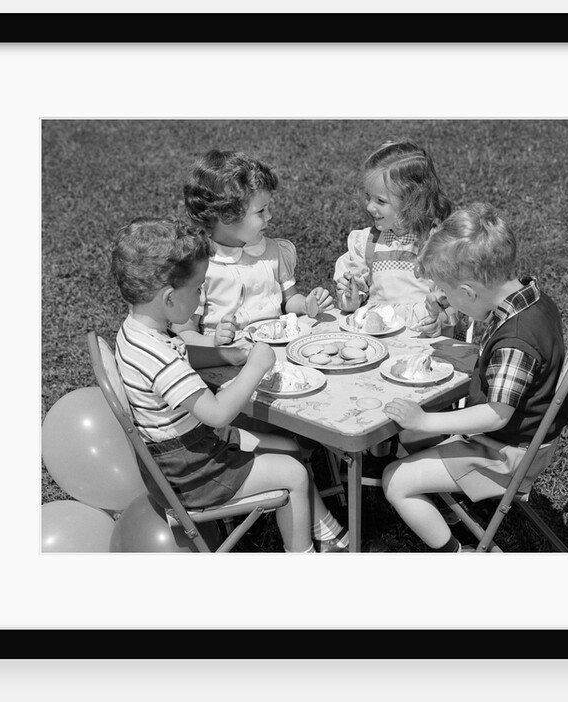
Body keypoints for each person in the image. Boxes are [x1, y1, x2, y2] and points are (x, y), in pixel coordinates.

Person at [110, 215, 348, 553]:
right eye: (196, 289)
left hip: (185, 454)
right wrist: (254, 366)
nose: (200, 296)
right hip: (195, 474)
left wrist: (228, 355)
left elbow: (182, 364)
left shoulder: (136, 334)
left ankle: (326, 532)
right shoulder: (156, 355)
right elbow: (217, 413)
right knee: (293, 473)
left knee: (287, 447)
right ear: (168, 298)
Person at [380, 203, 568, 552]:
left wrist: (427, 420)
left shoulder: (516, 341)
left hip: (507, 454)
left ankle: (455, 552)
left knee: (394, 479)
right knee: (410, 435)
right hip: (525, 439)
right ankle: (450, 503)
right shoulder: (534, 300)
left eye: (448, 291)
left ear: (468, 293)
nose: (444, 298)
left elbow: (496, 415)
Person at [173, 149, 333, 347]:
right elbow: (184, 331)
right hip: (227, 360)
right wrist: (213, 341)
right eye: (261, 211)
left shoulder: (273, 252)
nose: (270, 216)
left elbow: (288, 300)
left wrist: (306, 304)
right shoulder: (201, 266)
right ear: (226, 216)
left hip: (276, 349)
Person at [333, 137, 467, 338]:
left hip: (421, 337)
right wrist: (351, 298)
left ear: (411, 202)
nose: (370, 206)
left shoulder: (434, 244)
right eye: (368, 196)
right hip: (376, 336)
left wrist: (439, 322)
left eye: (380, 200)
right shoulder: (367, 242)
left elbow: (451, 301)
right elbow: (354, 302)